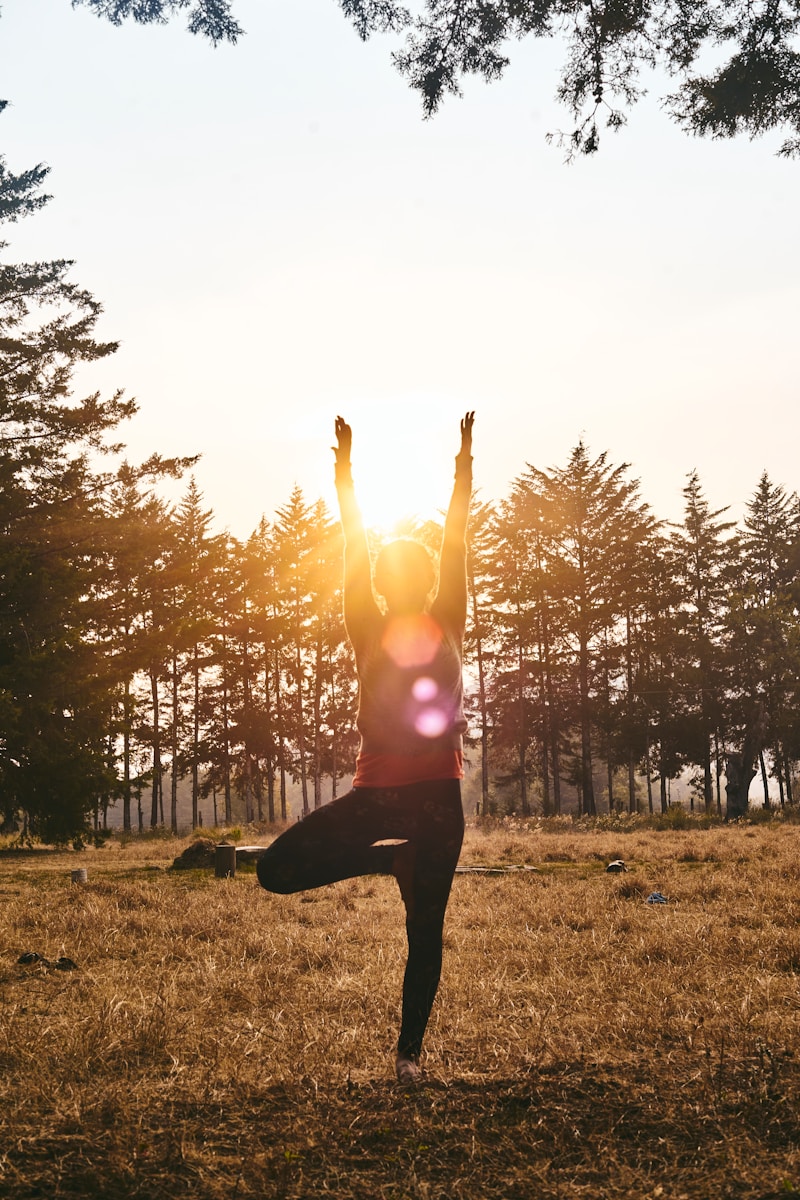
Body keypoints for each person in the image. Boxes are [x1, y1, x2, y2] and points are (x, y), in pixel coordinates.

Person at [257, 411, 474, 1084]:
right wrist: (461, 463)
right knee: (423, 933)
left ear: (384, 583)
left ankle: (409, 1054)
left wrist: (346, 472)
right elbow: (451, 540)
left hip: (397, 799)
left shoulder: (404, 618)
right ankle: (409, 1057)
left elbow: (369, 543)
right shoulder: (413, 618)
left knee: (279, 873)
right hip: (416, 803)